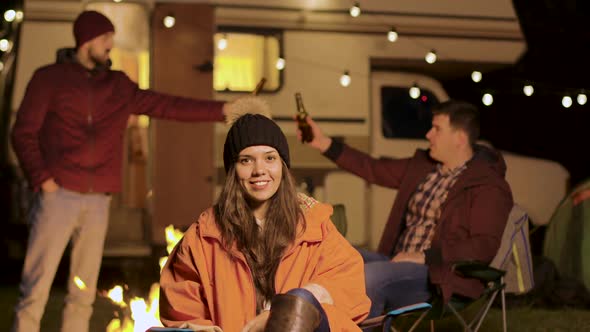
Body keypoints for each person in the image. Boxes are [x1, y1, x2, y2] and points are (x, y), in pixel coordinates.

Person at [10, 10, 234, 332]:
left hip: (99, 200)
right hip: (57, 195)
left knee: (83, 289)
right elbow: (23, 133)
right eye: (105, 39)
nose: (110, 46)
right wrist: (42, 179)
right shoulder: (49, 79)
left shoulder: (117, 86)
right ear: (86, 41)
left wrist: (223, 111)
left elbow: (166, 105)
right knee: (36, 286)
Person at [299, 100, 513, 318]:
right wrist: (323, 143)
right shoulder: (424, 168)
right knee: (327, 259)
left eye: (437, 129)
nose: (428, 135)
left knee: (366, 277)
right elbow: (374, 169)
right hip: (394, 262)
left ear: (459, 138)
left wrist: (425, 256)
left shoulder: (487, 185)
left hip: (437, 275)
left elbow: (484, 246)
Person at [159, 111, 370, 331]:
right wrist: (199, 328)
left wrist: (287, 311)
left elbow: (350, 290)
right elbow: (180, 306)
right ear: (233, 170)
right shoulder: (203, 238)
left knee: (302, 300)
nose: (259, 170)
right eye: (246, 160)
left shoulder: (314, 226)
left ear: (282, 165)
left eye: (270, 158)